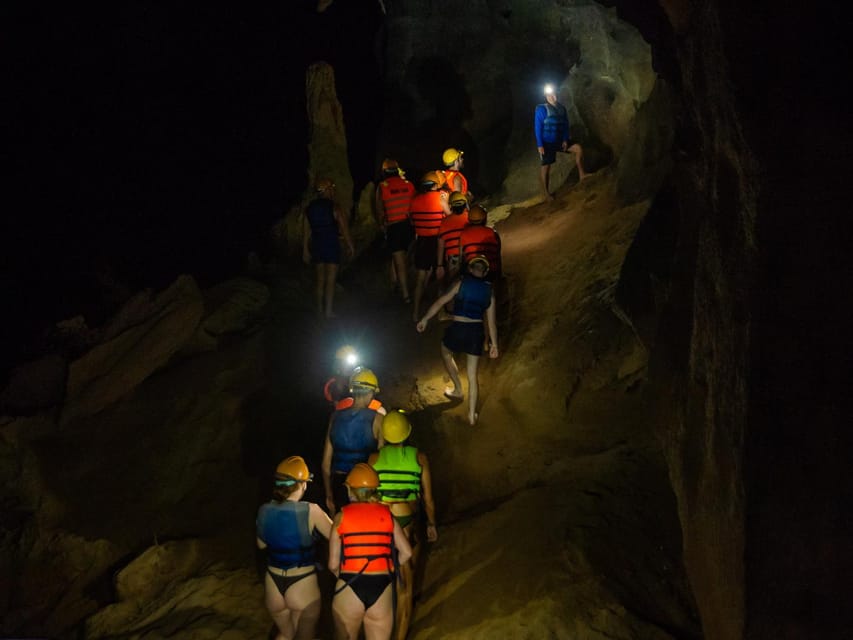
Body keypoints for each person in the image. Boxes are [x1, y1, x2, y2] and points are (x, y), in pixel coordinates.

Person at [368, 410, 437, 640]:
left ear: (385, 436)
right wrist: (431, 524)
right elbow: (427, 499)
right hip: (407, 519)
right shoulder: (419, 458)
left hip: (381, 521)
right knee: (405, 585)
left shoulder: (374, 459)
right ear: (407, 433)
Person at [329, 463, 412, 640]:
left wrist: (344, 577)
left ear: (351, 490)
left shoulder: (341, 517)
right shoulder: (387, 515)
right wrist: (390, 569)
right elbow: (407, 553)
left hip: (349, 583)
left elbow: (333, 564)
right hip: (381, 586)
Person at [256, 456, 333, 640]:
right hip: (302, 584)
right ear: (302, 484)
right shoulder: (311, 511)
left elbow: (261, 544)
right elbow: (335, 536)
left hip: (273, 584)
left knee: (285, 634)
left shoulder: (264, 510)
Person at [417, 255, 499, 425]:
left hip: (458, 328)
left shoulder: (461, 283)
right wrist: (494, 345)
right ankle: (471, 415)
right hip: (476, 332)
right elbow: (491, 324)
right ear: (484, 273)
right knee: (472, 374)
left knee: (446, 352)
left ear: (470, 269)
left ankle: (458, 389)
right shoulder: (489, 291)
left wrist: (425, 318)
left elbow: (441, 302)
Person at [322, 368, 385, 514]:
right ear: (371, 392)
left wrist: (329, 495)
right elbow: (381, 460)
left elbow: (325, 464)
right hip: (364, 484)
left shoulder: (335, 418)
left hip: (340, 484)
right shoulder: (377, 419)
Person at [303, 178, 355, 319]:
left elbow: (306, 231)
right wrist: (351, 246)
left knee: (320, 280)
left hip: (317, 246)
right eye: (331, 188)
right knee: (330, 281)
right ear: (327, 190)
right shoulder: (335, 207)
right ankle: (328, 311)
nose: (333, 190)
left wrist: (305, 250)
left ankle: (319, 310)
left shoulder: (310, 208)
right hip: (331, 246)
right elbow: (344, 230)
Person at [408, 171, 450, 322]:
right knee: (440, 277)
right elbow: (450, 217)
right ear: (435, 185)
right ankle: (441, 312)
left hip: (422, 242)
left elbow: (412, 221)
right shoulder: (441, 198)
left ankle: (415, 312)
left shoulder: (414, 201)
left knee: (420, 278)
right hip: (437, 242)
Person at [534, 84, 587, 199]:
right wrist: (540, 145)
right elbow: (538, 127)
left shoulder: (562, 109)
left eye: (553, 94)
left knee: (578, 149)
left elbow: (565, 126)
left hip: (559, 141)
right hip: (547, 143)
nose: (552, 96)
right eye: (549, 95)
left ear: (556, 94)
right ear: (546, 96)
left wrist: (564, 139)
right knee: (546, 167)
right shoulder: (542, 109)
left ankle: (582, 175)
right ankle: (546, 194)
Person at [375, 159, 416, 304]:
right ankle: (396, 284)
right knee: (406, 260)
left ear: (384, 172)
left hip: (394, 227)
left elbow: (380, 211)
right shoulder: (409, 184)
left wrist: (382, 225)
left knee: (399, 263)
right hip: (409, 228)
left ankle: (406, 296)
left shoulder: (382, 187)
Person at [436, 191, 470, 288]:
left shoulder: (444, 222)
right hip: (468, 255)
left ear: (451, 206)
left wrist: (439, 265)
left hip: (453, 259)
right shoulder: (470, 218)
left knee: (452, 287)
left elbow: (440, 245)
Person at [459, 204, 502, 281]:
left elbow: (461, 257)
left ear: (469, 219)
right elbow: (497, 255)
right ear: (484, 218)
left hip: (472, 272)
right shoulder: (493, 233)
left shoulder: (463, 234)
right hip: (491, 271)